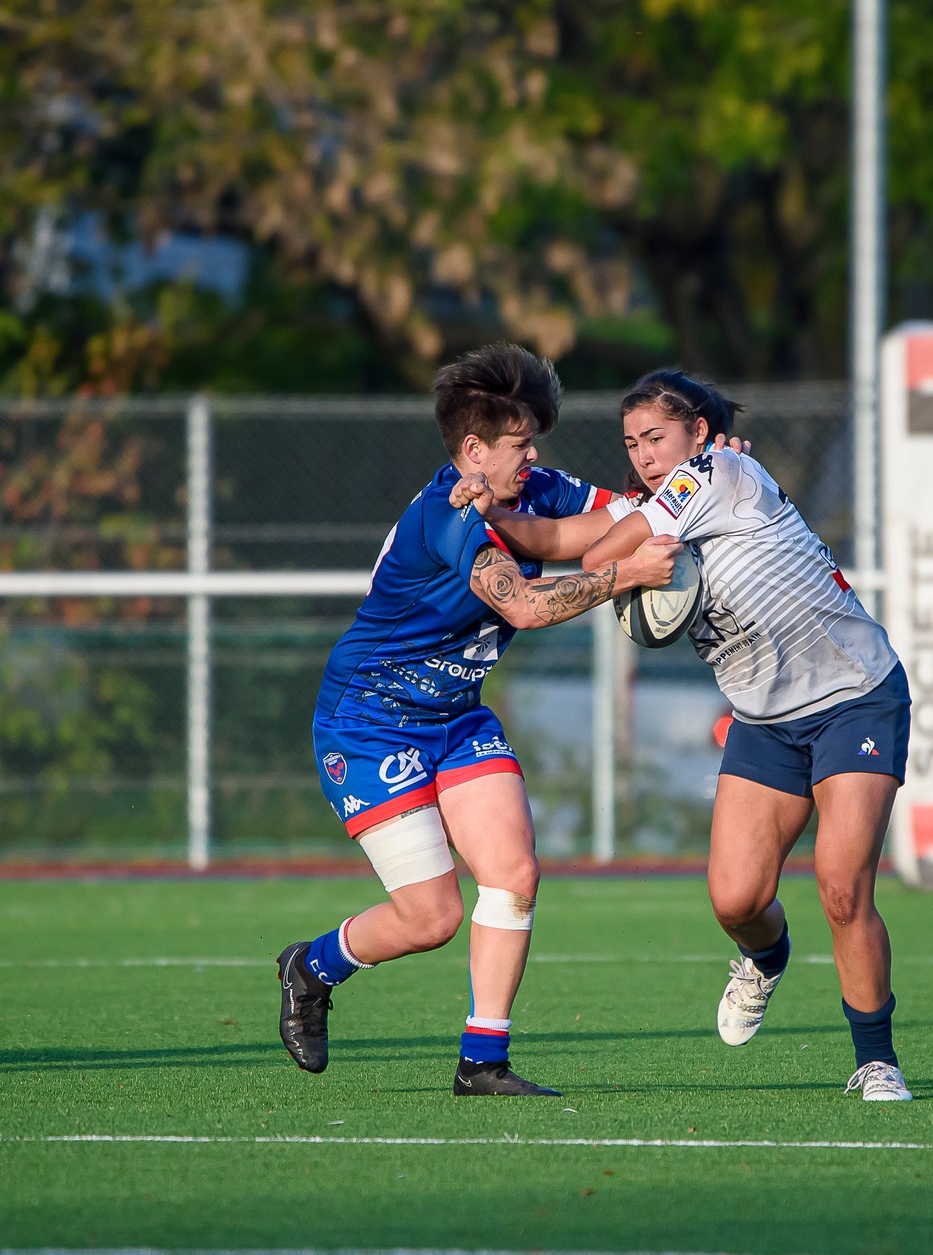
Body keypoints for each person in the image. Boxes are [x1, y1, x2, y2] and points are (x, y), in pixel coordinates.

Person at [475, 368, 915, 1102]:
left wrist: (624, 558)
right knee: (735, 899)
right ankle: (765, 957)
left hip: (856, 696)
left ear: (699, 435)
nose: (645, 455)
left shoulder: (722, 469)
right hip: (764, 720)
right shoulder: (654, 506)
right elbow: (550, 533)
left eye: (656, 437)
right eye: (631, 444)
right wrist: (479, 512)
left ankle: (876, 1059)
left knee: (842, 886)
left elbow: (589, 557)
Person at [279, 343, 680, 1096]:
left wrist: (703, 465)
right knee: (432, 916)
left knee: (515, 874)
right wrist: (624, 575)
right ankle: (312, 965)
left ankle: (482, 1061)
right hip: (369, 723)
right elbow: (524, 608)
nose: (533, 455)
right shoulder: (448, 517)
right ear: (473, 450)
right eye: (519, 442)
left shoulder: (534, 487)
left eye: (533, 439)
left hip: (456, 715)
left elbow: (628, 511)